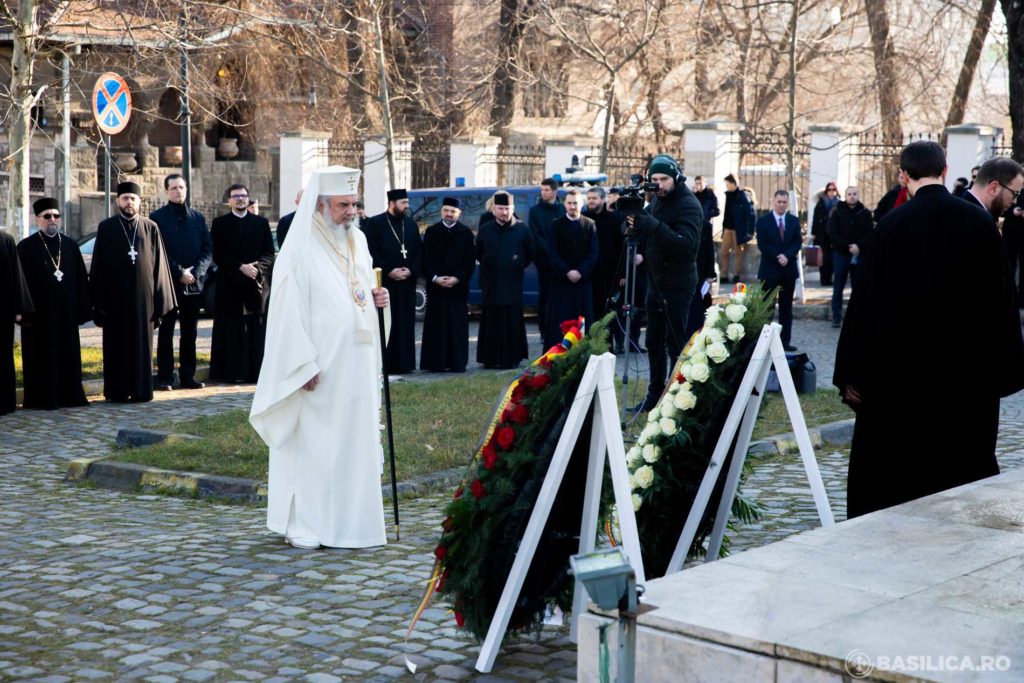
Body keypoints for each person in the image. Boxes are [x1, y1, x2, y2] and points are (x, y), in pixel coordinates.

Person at [834, 143, 1024, 518]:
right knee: (960, 474)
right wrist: (1005, 369)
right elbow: (1002, 302)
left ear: (904, 175)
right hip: (964, 380)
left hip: (901, 381)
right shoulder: (979, 224)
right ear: (945, 167)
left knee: (899, 481)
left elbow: (864, 306)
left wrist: (850, 374)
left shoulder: (890, 224)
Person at [250, 166, 391, 550]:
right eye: (343, 205)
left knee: (351, 445)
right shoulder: (300, 245)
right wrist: (301, 363)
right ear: (321, 205)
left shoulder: (358, 241)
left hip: (356, 365)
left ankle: (351, 521)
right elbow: (284, 310)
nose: (352, 211)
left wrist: (381, 302)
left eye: (355, 204)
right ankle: (305, 522)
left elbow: (359, 290)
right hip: (318, 368)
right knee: (314, 448)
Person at [89, 182, 177, 403]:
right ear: (118, 201)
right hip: (114, 301)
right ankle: (116, 392)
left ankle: (141, 391)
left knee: (141, 347)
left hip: (143, 302)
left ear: (140, 201)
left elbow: (160, 267)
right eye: (125, 198)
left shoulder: (150, 227)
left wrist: (160, 301)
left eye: (133, 198)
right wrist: (99, 301)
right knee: (115, 347)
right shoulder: (106, 227)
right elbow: (98, 266)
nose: (129, 202)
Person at [627, 155, 702, 412]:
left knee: (674, 340)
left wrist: (653, 226)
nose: (658, 185)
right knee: (653, 340)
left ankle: (676, 395)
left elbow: (685, 244)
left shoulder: (689, 204)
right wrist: (631, 225)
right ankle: (654, 393)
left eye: (664, 179)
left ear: (676, 178)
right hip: (655, 280)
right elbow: (642, 223)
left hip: (678, 283)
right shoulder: (656, 201)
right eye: (654, 180)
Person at [16, 198, 91, 410]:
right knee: (41, 358)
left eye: (56, 215)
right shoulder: (26, 247)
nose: (52, 220)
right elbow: (19, 283)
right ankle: (42, 398)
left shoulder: (70, 245)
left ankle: (70, 396)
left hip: (66, 315)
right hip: (38, 316)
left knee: (67, 355)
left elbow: (80, 280)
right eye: (47, 216)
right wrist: (21, 312)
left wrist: (82, 309)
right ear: (37, 219)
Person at [151, 174, 213, 390]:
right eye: (174, 188)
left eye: (182, 187)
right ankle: (165, 377)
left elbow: (208, 249)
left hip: (194, 284)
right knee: (166, 331)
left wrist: (196, 272)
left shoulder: (197, 218)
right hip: (169, 283)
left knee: (190, 332)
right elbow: (158, 251)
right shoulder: (157, 218)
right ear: (166, 191)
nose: (179, 191)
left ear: (187, 189)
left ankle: (188, 376)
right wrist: (179, 272)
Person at [210, 183, 275, 383]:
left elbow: (269, 253)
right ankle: (233, 373)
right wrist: (240, 267)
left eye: (244, 196)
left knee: (256, 329)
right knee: (232, 330)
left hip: (256, 286)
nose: (240, 199)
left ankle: (256, 372)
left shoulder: (261, 223)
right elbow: (217, 254)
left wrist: (258, 268)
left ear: (249, 200)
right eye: (236, 196)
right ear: (229, 200)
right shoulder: (219, 223)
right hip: (231, 285)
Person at [362, 188, 422, 374]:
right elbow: (371, 251)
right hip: (385, 284)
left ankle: (405, 364)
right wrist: (389, 271)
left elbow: (418, 252)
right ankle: (386, 363)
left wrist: (410, 270)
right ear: (392, 203)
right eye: (403, 203)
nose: (407, 206)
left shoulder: (411, 224)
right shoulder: (375, 223)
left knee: (405, 323)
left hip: (406, 284)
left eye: (407, 202)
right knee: (387, 322)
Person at [476, 191, 535, 368]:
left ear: (513, 209)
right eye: (500, 208)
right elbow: (478, 251)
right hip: (491, 284)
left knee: (511, 321)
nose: (504, 212)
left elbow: (531, 253)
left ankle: (511, 358)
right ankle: (490, 359)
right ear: (494, 209)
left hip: (512, 284)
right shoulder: (485, 229)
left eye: (507, 208)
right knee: (491, 321)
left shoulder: (522, 229)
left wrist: (517, 264)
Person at [420, 197, 475, 372]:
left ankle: (456, 363)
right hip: (436, 289)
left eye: (453, 211)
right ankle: (435, 364)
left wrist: (457, 278)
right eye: (446, 210)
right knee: (436, 327)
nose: (449, 214)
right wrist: (435, 277)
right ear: (441, 211)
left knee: (456, 327)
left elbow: (469, 262)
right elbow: (425, 259)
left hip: (457, 290)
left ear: (459, 213)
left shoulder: (466, 233)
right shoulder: (431, 231)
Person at [544, 188, 598, 348]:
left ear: (581, 204)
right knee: (559, 323)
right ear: (565, 204)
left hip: (582, 283)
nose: (572, 206)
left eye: (575, 203)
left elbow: (593, 253)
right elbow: (552, 252)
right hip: (562, 283)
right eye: (569, 203)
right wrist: (566, 271)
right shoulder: (556, 225)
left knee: (582, 324)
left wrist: (580, 271)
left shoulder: (590, 225)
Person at [755, 190, 801, 351]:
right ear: (773, 201)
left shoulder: (794, 221)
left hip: (788, 270)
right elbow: (763, 244)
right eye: (779, 201)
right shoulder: (763, 222)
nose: (781, 204)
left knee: (786, 308)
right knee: (767, 308)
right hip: (770, 270)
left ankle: (784, 342)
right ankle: (765, 343)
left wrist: (787, 256)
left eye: (784, 202)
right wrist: (777, 256)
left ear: (788, 203)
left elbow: (797, 242)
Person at [826, 186, 873, 328]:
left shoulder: (864, 213)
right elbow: (832, 233)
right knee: (838, 286)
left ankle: (856, 317)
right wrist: (847, 246)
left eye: (854, 194)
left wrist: (859, 246)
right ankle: (836, 317)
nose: (852, 196)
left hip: (858, 254)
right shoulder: (837, 212)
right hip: (841, 254)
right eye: (849, 194)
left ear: (858, 195)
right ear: (845, 196)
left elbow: (870, 233)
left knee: (857, 288)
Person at [584, 187, 625, 342]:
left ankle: (608, 345)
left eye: (594, 198)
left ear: (602, 199)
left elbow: (622, 248)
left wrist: (622, 274)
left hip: (610, 273)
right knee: (590, 311)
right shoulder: (584, 217)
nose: (591, 201)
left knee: (609, 313)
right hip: (589, 273)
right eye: (589, 198)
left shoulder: (615, 219)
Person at [528, 178, 564, 351]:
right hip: (544, 262)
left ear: (554, 191)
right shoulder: (535, 211)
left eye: (546, 190)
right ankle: (544, 331)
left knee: (560, 298)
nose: (543, 193)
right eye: (541, 190)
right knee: (545, 299)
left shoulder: (562, 209)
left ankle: (560, 330)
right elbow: (535, 235)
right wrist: (551, 252)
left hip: (561, 263)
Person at [1, 227, 33, 416]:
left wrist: (19, 308)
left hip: (3, 312)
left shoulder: (6, 240)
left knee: (3, 357)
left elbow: (16, 274)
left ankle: (4, 402)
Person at [687, 175, 719, 338]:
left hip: (700, 273)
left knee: (698, 311)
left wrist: (710, 275)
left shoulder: (705, 226)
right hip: (683, 273)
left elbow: (709, 250)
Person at [720, 173, 755, 282]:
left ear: (732, 183)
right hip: (727, 228)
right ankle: (724, 276)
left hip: (738, 230)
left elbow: (751, 214)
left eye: (727, 183)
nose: (726, 186)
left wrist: (749, 232)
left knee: (738, 253)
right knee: (723, 252)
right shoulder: (728, 195)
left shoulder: (742, 195)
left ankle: (736, 275)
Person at [810, 182, 840, 286]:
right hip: (822, 234)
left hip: (835, 235)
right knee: (823, 258)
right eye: (829, 190)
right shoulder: (821, 203)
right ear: (826, 191)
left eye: (833, 190)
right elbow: (816, 219)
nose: (831, 192)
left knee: (832, 258)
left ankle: (830, 278)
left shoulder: (839, 203)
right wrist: (814, 233)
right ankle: (824, 279)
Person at [1002, 202, 1024, 306]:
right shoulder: (1015, 189)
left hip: (1018, 233)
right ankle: (1009, 295)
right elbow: (1002, 208)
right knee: (1009, 264)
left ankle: (1021, 298)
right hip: (1011, 234)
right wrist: (1013, 211)